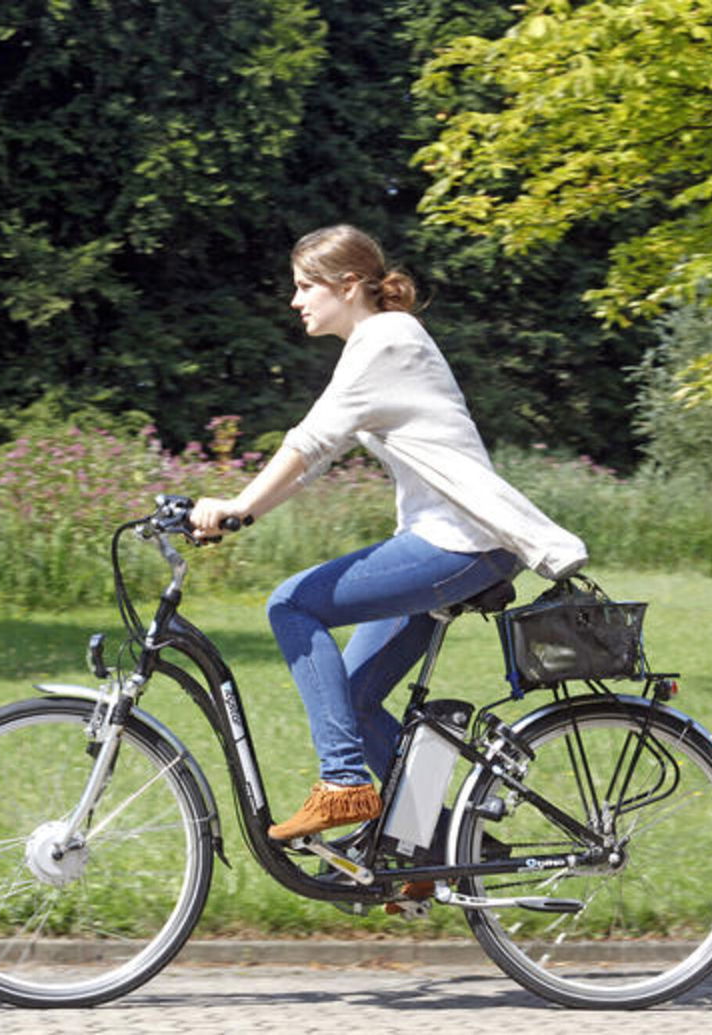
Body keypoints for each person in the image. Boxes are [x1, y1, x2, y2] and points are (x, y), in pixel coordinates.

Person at [191, 224, 587, 843]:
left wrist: (238, 505)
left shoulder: (386, 340)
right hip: (455, 542)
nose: (296, 300)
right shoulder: (382, 343)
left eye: (305, 286)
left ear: (349, 286)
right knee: (349, 695)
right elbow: (315, 459)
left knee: (292, 603)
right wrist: (244, 512)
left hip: (459, 543)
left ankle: (345, 783)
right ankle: (444, 844)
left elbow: (308, 441)